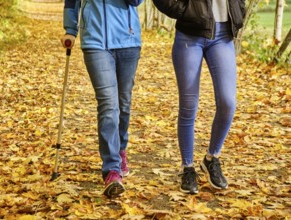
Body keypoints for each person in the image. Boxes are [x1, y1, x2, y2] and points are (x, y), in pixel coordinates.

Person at [152, 0, 246, 194]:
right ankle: (187, 167)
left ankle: (212, 158)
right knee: (188, 104)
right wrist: (186, 12)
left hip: (223, 35)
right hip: (189, 35)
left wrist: (239, 10)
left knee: (228, 103)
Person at [61, 0, 142, 197]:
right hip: (95, 42)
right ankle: (112, 170)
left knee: (123, 103)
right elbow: (71, 2)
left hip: (128, 41)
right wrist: (70, 29)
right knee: (108, 104)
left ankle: (120, 149)